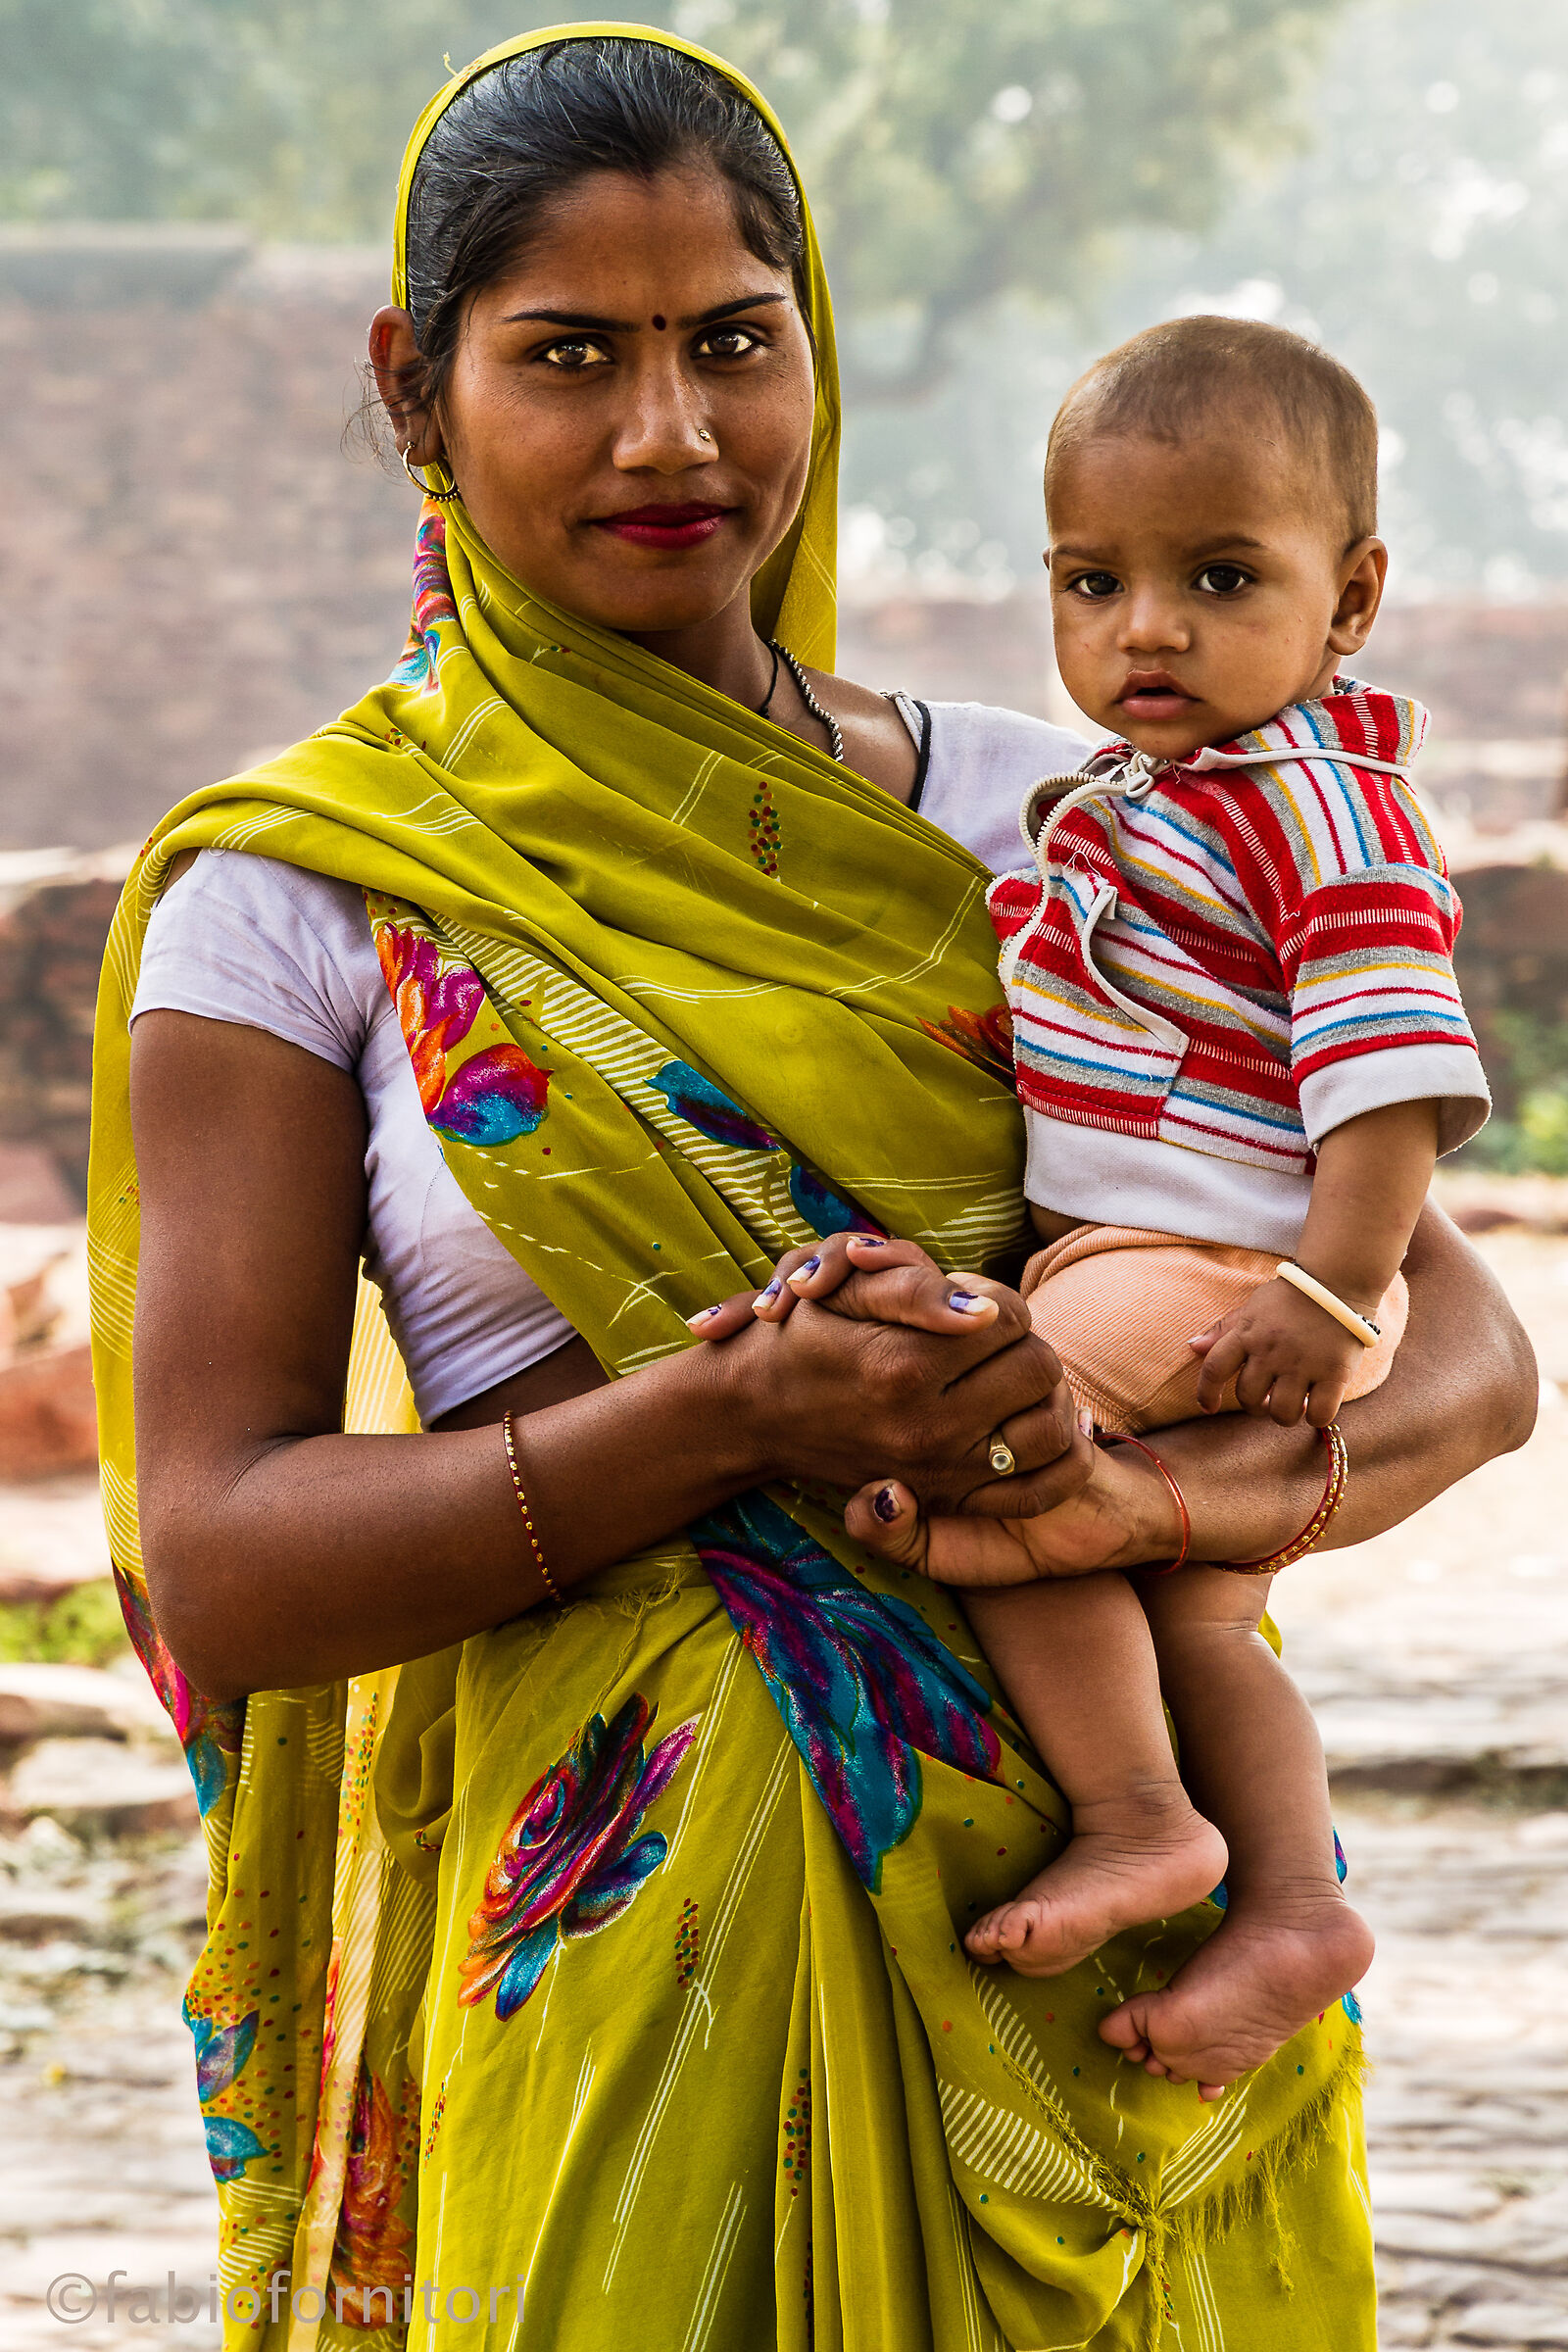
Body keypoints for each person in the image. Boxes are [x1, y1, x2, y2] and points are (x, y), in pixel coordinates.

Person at [90, 29, 1534, 2351]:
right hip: (630, 1958)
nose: (673, 432)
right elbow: (231, 1562)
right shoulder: (297, 897)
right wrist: (734, 1422)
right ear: (412, 387)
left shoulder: (1062, 818)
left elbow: (1460, 1361)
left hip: (1131, 1970)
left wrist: (1123, 1521)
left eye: (730, 344)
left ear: (810, 358)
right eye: (570, 354)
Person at [732, 319, 1494, 2108]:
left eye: (1220, 577)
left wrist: (1329, 1288)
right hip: (1180, 1264)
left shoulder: (1323, 809)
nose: (1146, 629)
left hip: (1227, 1272)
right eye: (1095, 580)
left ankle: (1145, 1818)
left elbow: (1390, 1080)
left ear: (1353, 596)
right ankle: (1297, 1904)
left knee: (1006, 1444)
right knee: (1198, 1622)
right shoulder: (1152, 799)